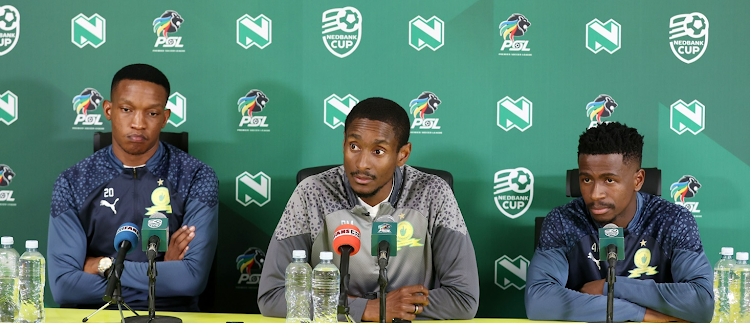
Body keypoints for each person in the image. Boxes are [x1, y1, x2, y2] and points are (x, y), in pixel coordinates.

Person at [257, 97, 479, 321]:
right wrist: (367, 309)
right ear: (343, 143)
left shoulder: (432, 193)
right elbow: (272, 296)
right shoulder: (312, 193)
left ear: (402, 154)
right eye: (354, 146)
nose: (362, 163)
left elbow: (463, 299)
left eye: (378, 151)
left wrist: (390, 309)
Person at [47, 64, 218, 311]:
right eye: (127, 109)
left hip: (168, 316)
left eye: (152, 113)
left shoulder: (196, 177)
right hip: (95, 316)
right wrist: (161, 274)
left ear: (165, 117)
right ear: (108, 109)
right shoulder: (73, 182)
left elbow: (190, 279)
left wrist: (104, 266)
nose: (138, 123)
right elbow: (64, 286)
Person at [525, 122, 714, 322]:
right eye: (587, 180)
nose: (595, 194)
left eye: (609, 180)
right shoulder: (563, 221)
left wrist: (609, 286)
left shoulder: (673, 220)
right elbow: (538, 302)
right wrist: (641, 314)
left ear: (638, 180)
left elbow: (701, 303)